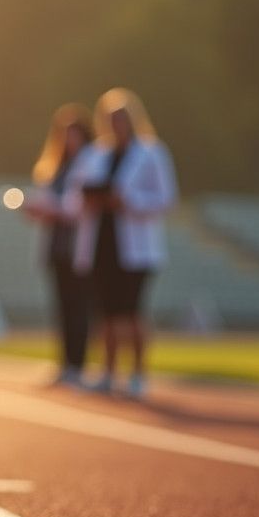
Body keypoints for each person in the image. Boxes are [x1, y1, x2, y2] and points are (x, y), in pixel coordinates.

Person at [63, 88, 177, 399]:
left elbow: (167, 199)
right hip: (102, 243)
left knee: (131, 311)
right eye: (110, 120)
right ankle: (108, 371)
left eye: (121, 119)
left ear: (132, 119)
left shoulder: (152, 152)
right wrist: (92, 200)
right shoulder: (96, 155)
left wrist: (127, 201)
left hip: (136, 247)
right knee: (107, 314)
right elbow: (74, 197)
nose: (116, 125)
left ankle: (138, 372)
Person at [21, 104, 94, 388]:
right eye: (65, 134)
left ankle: (79, 364)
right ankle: (66, 363)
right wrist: (35, 209)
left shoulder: (90, 163)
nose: (69, 140)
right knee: (62, 307)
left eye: (74, 134)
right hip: (57, 246)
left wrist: (53, 210)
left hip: (79, 246)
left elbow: (77, 208)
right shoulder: (55, 167)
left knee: (79, 307)